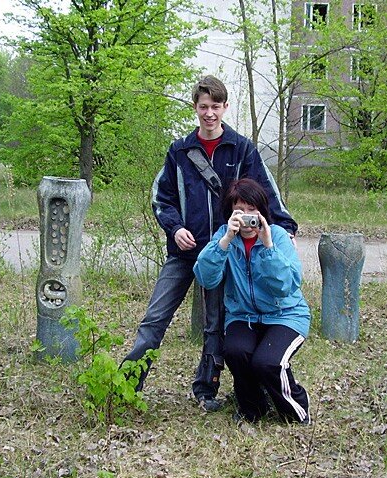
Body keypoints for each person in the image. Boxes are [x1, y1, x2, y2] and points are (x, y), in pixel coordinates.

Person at [121, 75, 298, 411]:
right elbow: (162, 198)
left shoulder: (243, 149)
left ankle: (206, 390)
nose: (209, 113)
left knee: (216, 324)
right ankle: (128, 383)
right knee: (155, 318)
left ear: (225, 107)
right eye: (204, 107)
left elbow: (263, 191)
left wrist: (284, 224)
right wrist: (174, 229)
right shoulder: (179, 151)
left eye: (215, 107)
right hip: (185, 251)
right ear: (195, 107)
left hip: (225, 252)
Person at [194, 179, 311, 424]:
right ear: (230, 213)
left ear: (262, 213)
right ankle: (252, 408)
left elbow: (285, 287)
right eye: (240, 211)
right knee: (236, 352)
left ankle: (296, 410)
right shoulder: (224, 238)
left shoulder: (278, 236)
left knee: (267, 362)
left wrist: (267, 247)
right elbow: (206, 277)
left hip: (286, 315)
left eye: (252, 211)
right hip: (243, 315)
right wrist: (224, 242)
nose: (247, 219)